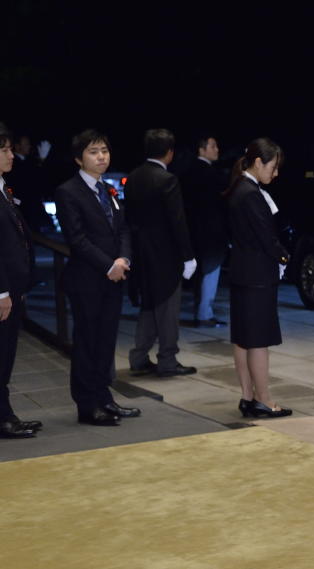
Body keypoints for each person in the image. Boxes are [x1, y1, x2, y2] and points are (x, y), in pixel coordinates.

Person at [55, 129, 140, 426]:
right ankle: (87, 405)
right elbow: (76, 239)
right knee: (87, 343)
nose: (101, 156)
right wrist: (109, 265)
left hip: (114, 278)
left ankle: (105, 398)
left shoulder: (109, 189)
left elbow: (124, 229)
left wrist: (124, 259)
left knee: (105, 342)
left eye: (104, 150)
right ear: (79, 159)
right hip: (88, 280)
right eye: (93, 151)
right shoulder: (68, 191)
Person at [124, 129, 198, 377]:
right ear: (169, 152)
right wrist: (188, 256)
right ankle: (167, 359)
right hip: (165, 256)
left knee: (148, 306)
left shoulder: (133, 177)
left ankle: (139, 356)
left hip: (140, 253)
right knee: (167, 308)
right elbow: (178, 221)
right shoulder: (167, 180)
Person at [226, 138, 292, 419]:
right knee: (258, 341)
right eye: (273, 167)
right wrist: (284, 258)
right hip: (257, 275)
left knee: (242, 338)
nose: (275, 174)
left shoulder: (236, 188)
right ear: (258, 162)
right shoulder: (250, 193)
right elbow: (267, 237)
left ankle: (247, 397)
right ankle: (264, 400)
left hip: (241, 271)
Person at [0, 129, 43, 438]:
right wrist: (2, 291)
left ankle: (6, 413)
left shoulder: (4, 189)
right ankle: (3, 418)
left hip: (14, 288)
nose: (11, 155)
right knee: (2, 354)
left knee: (7, 353)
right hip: (2, 291)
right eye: (4, 150)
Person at [181, 136, 229, 327]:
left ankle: (202, 312)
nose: (217, 149)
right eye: (213, 146)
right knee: (209, 273)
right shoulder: (209, 174)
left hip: (195, 231)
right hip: (211, 233)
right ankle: (204, 314)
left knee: (201, 273)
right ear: (201, 150)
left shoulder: (188, 172)